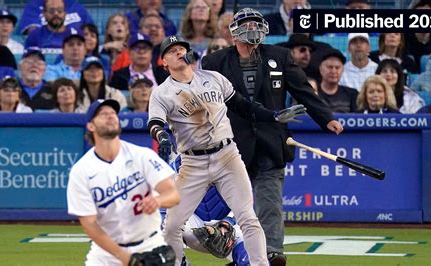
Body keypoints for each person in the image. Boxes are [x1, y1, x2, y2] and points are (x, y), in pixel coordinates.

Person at [201, 8, 343, 265]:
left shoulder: (280, 56)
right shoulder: (214, 62)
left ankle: (272, 253)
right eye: (247, 24)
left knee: (269, 203)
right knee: (235, 208)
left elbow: (303, 90)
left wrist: (327, 117)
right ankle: (242, 254)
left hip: (271, 142)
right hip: (231, 146)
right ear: (234, 31)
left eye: (257, 24)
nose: (253, 29)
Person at [149, 35, 307, 266]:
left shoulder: (213, 79)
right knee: (172, 226)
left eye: (182, 48)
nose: (179, 52)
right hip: (193, 163)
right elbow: (155, 123)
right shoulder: (162, 93)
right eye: (172, 51)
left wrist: (272, 115)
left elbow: (243, 106)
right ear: (164, 62)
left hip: (227, 156)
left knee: (248, 218)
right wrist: (162, 136)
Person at [67, 98, 180, 265]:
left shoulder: (142, 155)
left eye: (113, 113)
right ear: (91, 126)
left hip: (150, 244)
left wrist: (158, 200)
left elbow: (173, 194)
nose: (111, 116)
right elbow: (89, 224)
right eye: (103, 114)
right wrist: (124, 257)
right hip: (107, 253)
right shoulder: (81, 170)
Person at [18, 0, 93, 36]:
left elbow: (91, 30)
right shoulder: (33, 5)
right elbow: (33, 33)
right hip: (46, 49)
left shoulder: (75, 4)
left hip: (74, 47)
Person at [318, 48, 359, 113]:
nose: (334, 71)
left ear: (342, 70)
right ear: (320, 69)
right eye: (330, 67)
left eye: (337, 68)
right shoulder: (312, 92)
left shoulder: (352, 94)